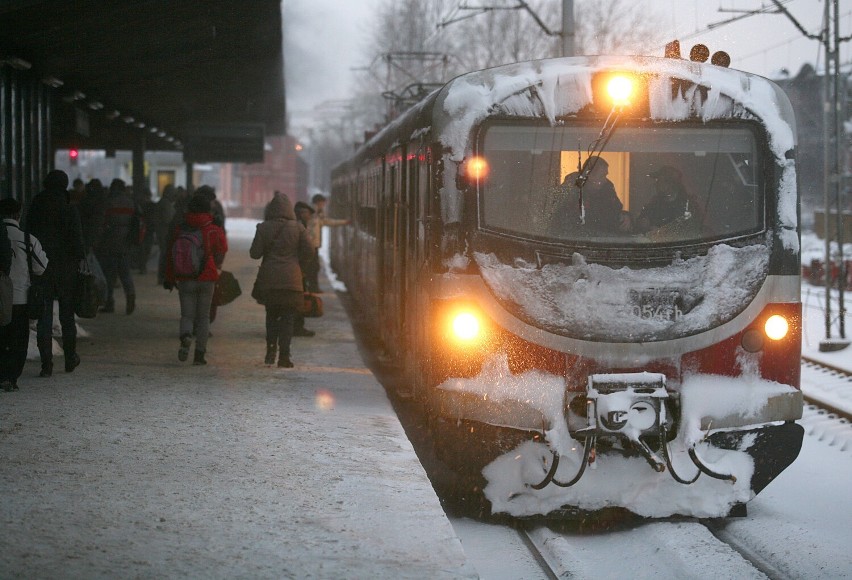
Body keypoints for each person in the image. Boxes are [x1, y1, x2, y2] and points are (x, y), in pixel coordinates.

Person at [25, 169, 86, 377]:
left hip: (41, 268)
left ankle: (46, 364)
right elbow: (77, 241)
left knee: (44, 318)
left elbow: (29, 235)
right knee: (67, 316)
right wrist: (80, 259)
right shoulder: (69, 208)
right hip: (66, 270)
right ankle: (70, 358)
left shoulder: (36, 205)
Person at [164, 194, 228, 365]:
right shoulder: (212, 228)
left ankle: (185, 336)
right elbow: (222, 248)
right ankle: (200, 355)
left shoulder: (181, 228)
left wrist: (169, 278)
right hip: (207, 277)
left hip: (185, 278)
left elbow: (171, 255)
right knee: (203, 317)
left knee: (186, 314)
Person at [250, 193, 312, 368]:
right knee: (288, 319)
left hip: (270, 281)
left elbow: (254, 253)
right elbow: (309, 251)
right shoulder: (299, 228)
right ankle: (284, 356)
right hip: (292, 281)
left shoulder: (263, 227)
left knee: (271, 316)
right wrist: (299, 265)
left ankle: (270, 351)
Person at [0, 198, 47, 391]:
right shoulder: (28, 239)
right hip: (20, 297)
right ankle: (10, 377)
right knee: (18, 340)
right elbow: (41, 267)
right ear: (18, 214)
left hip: (0, 298)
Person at [550, 158, 630, 236]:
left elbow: (614, 210)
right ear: (589, 176)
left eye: (605, 176)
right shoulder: (570, 192)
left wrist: (625, 217)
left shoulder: (607, 188)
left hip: (604, 242)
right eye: (601, 176)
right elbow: (561, 221)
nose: (605, 180)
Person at [96, 179, 137, 314]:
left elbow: (102, 222)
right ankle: (130, 298)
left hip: (110, 241)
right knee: (125, 273)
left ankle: (110, 303)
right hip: (126, 242)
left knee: (110, 275)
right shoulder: (131, 202)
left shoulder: (108, 202)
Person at [635, 165, 704, 233]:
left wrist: (663, 232)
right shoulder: (654, 204)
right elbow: (641, 223)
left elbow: (692, 231)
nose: (657, 184)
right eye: (657, 180)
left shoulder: (689, 205)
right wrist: (642, 223)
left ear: (671, 183)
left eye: (660, 180)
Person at [307, 193, 349, 293]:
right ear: (318, 203)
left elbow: (327, 222)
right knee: (313, 267)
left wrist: (343, 222)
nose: (323, 205)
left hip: (313, 245)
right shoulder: (312, 214)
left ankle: (313, 287)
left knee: (314, 267)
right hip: (310, 245)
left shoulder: (316, 214)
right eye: (322, 203)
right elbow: (310, 228)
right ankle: (312, 287)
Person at [293, 201, 317, 338]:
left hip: (286, 269)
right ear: (302, 213)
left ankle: (289, 327)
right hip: (297, 269)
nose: (309, 216)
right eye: (308, 213)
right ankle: (298, 327)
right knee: (298, 299)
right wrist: (304, 265)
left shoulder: (288, 226)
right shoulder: (300, 227)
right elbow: (308, 250)